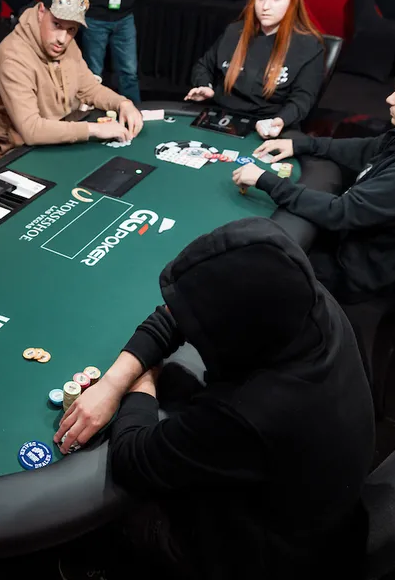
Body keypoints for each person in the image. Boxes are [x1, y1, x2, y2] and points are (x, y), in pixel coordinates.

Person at [55, 217, 374, 579]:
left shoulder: (251, 410)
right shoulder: (305, 300)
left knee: (122, 511)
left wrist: (140, 381)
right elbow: (177, 315)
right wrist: (111, 383)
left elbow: (133, 458)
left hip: (271, 555)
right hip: (318, 500)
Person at [234, 51, 395, 303]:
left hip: (350, 272)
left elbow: (340, 212)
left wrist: (266, 180)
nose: (390, 99)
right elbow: (367, 148)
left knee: (248, 272)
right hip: (347, 241)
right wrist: (302, 145)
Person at [0, 0, 145, 165]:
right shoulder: (13, 59)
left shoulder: (63, 43)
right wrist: (94, 129)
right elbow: (31, 130)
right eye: (56, 24)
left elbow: (89, 88)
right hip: (9, 154)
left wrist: (122, 103)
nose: (62, 39)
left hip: (52, 140)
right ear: (41, 11)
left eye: (71, 29)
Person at [185, 0, 325, 139]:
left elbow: (302, 100)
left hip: (268, 127)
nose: (265, 6)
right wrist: (205, 85)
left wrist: (280, 120)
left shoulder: (309, 46)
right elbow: (203, 66)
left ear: (292, 0)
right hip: (221, 119)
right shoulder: (235, 32)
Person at [70, 0, 157, 105]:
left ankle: (134, 112)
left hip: (125, 13)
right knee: (93, 73)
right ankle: (89, 114)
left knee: (129, 73)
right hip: (95, 13)